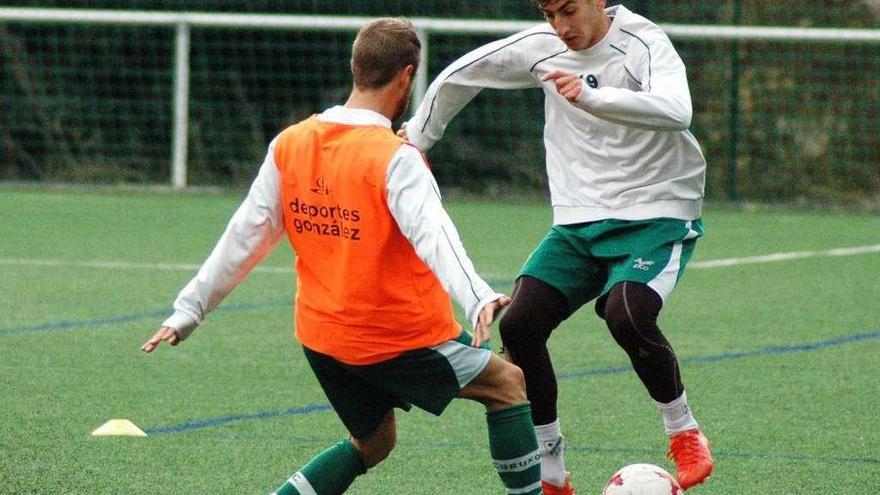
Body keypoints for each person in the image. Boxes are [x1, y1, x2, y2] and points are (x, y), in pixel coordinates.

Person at [142, 18, 544, 495]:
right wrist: (478, 297)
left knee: (373, 443)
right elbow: (436, 236)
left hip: (324, 339)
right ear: (407, 76)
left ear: (356, 68)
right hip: (395, 338)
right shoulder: (394, 156)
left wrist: (189, 309)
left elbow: (245, 234)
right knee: (508, 385)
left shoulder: (291, 143)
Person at [399, 1, 713, 493]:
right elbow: (464, 72)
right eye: (549, 14)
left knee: (626, 314)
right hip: (578, 220)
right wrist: (419, 138)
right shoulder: (541, 49)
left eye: (568, 10)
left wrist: (593, 96)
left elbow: (677, 110)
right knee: (521, 327)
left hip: (657, 211)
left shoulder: (643, 42)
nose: (560, 27)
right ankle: (552, 472)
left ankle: (683, 430)